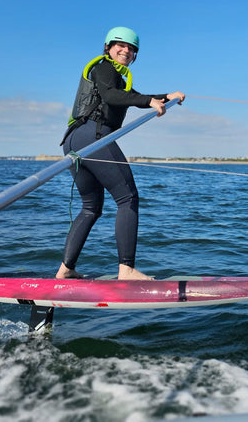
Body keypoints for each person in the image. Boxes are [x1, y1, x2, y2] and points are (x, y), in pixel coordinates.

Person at [57, 26, 185, 280]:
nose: (126, 51)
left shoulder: (113, 74)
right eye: (121, 46)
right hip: (92, 136)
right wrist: (149, 102)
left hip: (73, 140)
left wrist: (165, 96)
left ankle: (65, 270)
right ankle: (126, 269)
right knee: (128, 198)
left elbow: (130, 96)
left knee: (90, 207)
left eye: (131, 48)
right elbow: (112, 96)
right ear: (108, 47)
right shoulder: (104, 67)